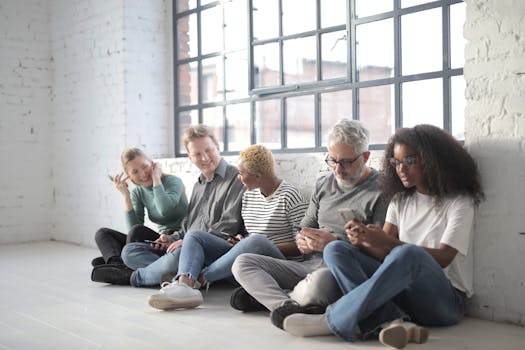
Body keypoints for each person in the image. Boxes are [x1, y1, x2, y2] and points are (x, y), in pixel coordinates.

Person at [279, 125, 484, 349]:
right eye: (396, 163)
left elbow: (444, 257)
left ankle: (334, 319)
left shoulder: (459, 202)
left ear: (432, 160)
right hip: (402, 296)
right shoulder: (400, 200)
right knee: (336, 249)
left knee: (408, 253)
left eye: (410, 161)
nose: (401, 170)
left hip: (444, 302)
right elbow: (383, 255)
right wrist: (365, 240)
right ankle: (390, 322)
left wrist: (387, 242)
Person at [230, 118, 388, 325]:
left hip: (340, 271)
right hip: (308, 266)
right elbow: (303, 227)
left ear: (366, 157)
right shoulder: (324, 184)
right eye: (332, 160)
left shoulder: (381, 190)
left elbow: (382, 252)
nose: (338, 169)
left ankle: (273, 298)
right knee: (242, 263)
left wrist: (334, 244)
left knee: (320, 285)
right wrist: (302, 241)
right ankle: (288, 306)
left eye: (346, 162)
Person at [147, 144, 309, 310]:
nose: (238, 177)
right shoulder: (249, 196)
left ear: (258, 176)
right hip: (245, 265)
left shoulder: (290, 196)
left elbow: (302, 247)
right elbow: (250, 235)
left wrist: (253, 245)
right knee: (195, 236)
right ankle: (184, 285)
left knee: (256, 242)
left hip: (277, 266)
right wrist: (240, 240)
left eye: (242, 173)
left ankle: (198, 281)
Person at [91, 124, 246, 286]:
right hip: (187, 244)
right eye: (197, 154)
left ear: (218, 147)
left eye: (208, 150)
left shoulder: (235, 178)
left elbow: (227, 228)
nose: (205, 158)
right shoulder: (199, 185)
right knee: (130, 251)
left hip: (214, 248)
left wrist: (186, 242)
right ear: (190, 158)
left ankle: (133, 277)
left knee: (180, 254)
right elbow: (187, 226)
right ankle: (183, 272)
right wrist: (171, 238)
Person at [90, 148, 188, 269]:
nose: (142, 174)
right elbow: (133, 228)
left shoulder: (173, 182)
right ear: (129, 177)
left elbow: (164, 209)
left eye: (144, 167)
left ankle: (120, 265)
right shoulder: (138, 192)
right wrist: (126, 195)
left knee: (138, 231)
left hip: (178, 239)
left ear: (153, 165)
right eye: (135, 171)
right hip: (159, 240)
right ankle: (116, 263)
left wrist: (156, 179)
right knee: (102, 233)